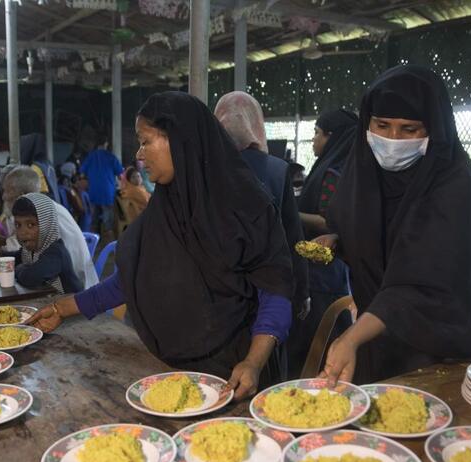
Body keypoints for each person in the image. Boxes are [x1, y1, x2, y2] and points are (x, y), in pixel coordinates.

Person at [27, 91, 294, 399]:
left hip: (234, 371)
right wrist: (63, 308)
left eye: (145, 141)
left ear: (179, 140)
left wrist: (253, 362)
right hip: (170, 364)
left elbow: (275, 289)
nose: (139, 155)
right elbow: (130, 280)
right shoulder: (166, 207)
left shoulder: (247, 206)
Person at [314, 64, 471, 385]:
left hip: (450, 314)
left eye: (409, 129)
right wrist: (340, 238)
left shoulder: (456, 183)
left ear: (434, 129)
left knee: (428, 388)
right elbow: (368, 229)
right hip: (381, 315)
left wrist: (352, 337)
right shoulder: (363, 169)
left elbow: (426, 278)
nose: (392, 139)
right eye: (382, 125)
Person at [214, 90, 310, 325]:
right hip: (269, 290)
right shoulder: (277, 170)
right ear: (256, 122)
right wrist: (301, 291)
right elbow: (293, 235)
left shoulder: (206, 168)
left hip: (218, 292)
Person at [290, 108, 357, 377]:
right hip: (332, 270)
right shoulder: (345, 167)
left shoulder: (334, 172)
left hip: (323, 270)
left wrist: (290, 212)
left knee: (319, 336)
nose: (314, 139)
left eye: (317, 133)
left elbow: (328, 221)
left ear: (332, 137)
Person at [0, 167, 99, 289]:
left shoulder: (45, 216)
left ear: (22, 195)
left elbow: (33, 275)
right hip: (53, 283)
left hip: (77, 292)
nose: (3, 197)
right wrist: (2, 255)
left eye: (7, 191)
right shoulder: (42, 210)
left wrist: (19, 267)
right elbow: (24, 253)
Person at [0, 193, 84, 294]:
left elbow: (30, 278)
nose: (22, 232)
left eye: (31, 225)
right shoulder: (32, 249)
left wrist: (18, 268)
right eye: (18, 225)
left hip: (70, 302)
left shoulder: (56, 252)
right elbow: (17, 257)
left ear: (46, 225)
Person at [80, 133, 124, 237]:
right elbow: (120, 174)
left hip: (93, 191)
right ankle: (108, 242)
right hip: (107, 192)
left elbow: (82, 173)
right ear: (106, 143)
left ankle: (94, 241)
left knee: (94, 219)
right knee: (108, 221)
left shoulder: (90, 156)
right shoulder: (111, 157)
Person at [20, 133, 60, 204]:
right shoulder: (47, 164)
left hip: (45, 207)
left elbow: (41, 194)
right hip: (55, 205)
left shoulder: (35, 168)